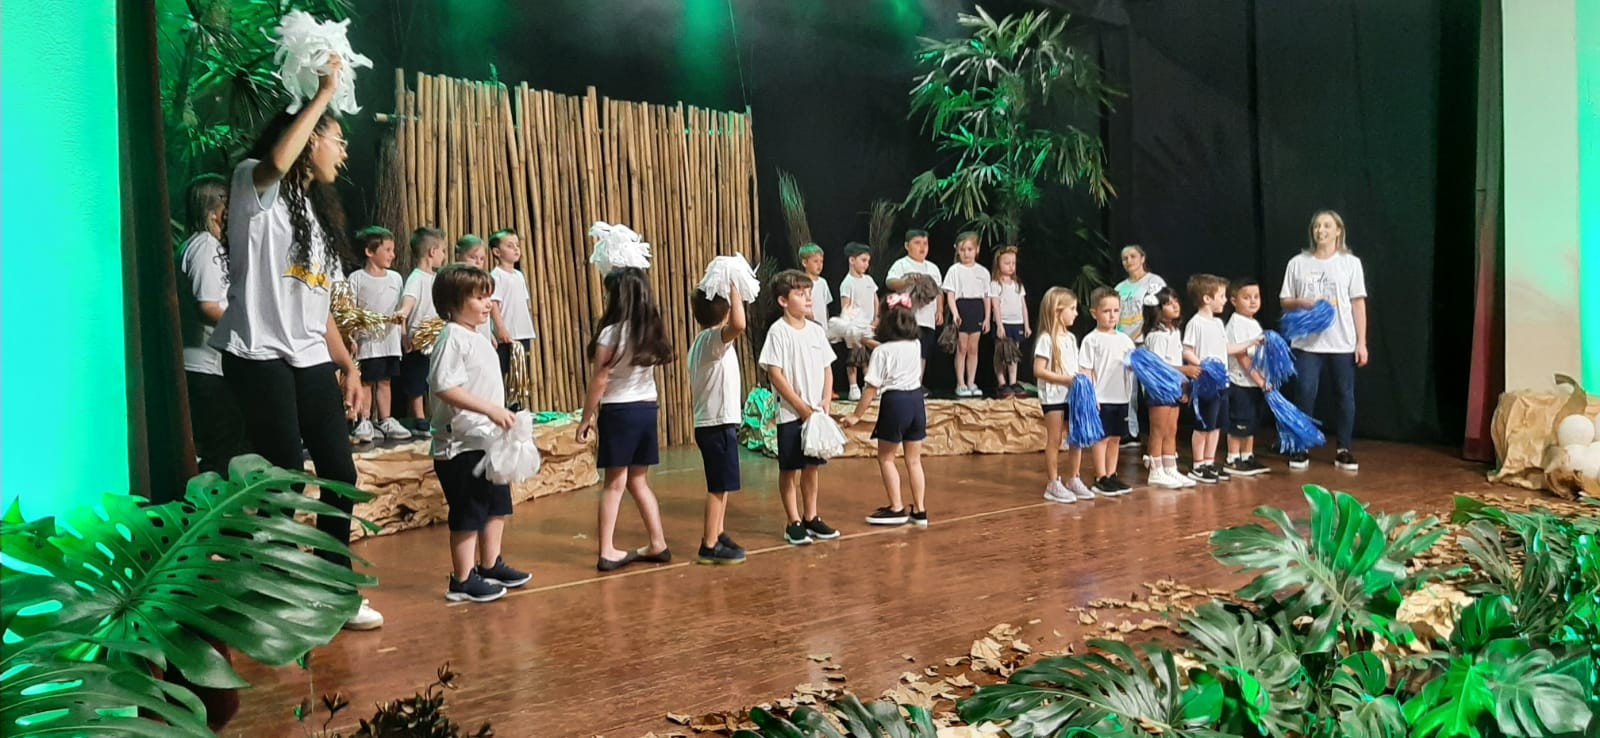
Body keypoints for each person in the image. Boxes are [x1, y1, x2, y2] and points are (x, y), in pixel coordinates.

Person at [209, 54, 382, 629]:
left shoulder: (318, 217)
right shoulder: (251, 182)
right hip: (257, 353)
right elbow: (277, 161)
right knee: (285, 474)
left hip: (307, 355)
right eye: (337, 140)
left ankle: (335, 588)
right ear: (308, 141)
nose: (343, 152)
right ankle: (277, 589)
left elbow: (319, 305)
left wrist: (349, 366)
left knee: (339, 474)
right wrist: (324, 93)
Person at [427, 264, 531, 602]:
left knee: (496, 504)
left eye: (489, 297)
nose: (488, 304)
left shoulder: (478, 336)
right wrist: (489, 410)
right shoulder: (452, 337)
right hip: (460, 445)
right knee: (468, 511)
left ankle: (490, 564)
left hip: (487, 441)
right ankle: (462, 579)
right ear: (454, 301)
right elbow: (444, 386)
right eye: (480, 298)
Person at [577, 267, 675, 571]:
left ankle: (607, 549)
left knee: (614, 484)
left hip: (619, 412)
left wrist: (586, 418)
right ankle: (658, 542)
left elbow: (600, 380)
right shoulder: (651, 331)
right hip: (646, 409)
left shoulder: (611, 333)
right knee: (638, 481)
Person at [1279, 210, 1368, 471]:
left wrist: (1361, 342)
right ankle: (1301, 447)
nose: (1321, 230)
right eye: (1317, 226)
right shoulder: (1298, 262)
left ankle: (1344, 449)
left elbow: (1358, 304)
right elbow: (1285, 301)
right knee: (1305, 392)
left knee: (1344, 394)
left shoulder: (1351, 263)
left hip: (1342, 341)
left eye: (1327, 226)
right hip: (1307, 343)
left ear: (1338, 231)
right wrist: (1303, 303)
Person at [759, 269, 839, 546]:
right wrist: (801, 407)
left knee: (812, 468)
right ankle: (793, 521)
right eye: (799, 293)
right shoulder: (778, 332)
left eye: (808, 293)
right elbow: (775, 374)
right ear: (783, 300)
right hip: (791, 414)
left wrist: (825, 401)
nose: (807, 298)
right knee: (790, 468)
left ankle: (811, 516)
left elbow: (827, 368)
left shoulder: (816, 331)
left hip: (816, 414)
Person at [176, 174, 249, 476]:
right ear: (216, 210)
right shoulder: (204, 247)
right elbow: (207, 306)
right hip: (203, 367)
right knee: (221, 449)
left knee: (224, 445)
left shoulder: (204, 246)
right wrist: (247, 323)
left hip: (210, 366)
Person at [843, 294, 929, 527]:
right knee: (914, 460)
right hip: (917, 402)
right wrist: (865, 339)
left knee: (886, 458)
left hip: (896, 403)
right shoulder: (915, 344)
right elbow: (889, 350)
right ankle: (920, 510)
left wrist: (856, 416)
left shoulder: (882, 353)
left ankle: (896, 508)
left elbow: (871, 389)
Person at [687, 278, 749, 565]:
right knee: (717, 486)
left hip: (714, 423)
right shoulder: (713, 340)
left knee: (722, 483)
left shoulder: (704, 341)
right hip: (716, 424)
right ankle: (709, 544)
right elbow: (739, 325)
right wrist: (735, 287)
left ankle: (719, 531)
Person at [347, 226, 411, 443]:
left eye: (393, 250)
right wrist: (351, 337)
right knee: (366, 381)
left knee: (385, 380)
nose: (392, 255)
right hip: (367, 342)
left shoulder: (396, 278)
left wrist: (403, 334)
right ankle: (364, 419)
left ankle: (386, 419)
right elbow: (350, 310)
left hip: (389, 341)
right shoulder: (356, 278)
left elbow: (400, 310)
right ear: (369, 252)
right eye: (388, 250)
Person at [1033, 288, 1092, 503]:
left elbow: (1076, 367)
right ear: (1058, 311)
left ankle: (1073, 478)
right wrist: (1065, 379)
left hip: (1072, 396)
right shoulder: (1046, 339)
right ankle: (1053, 483)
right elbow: (1039, 370)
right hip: (1054, 397)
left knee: (1076, 438)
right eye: (1072, 309)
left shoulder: (1071, 338)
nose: (1076, 313)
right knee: (1055, 439)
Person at [1079, 288, 1137, 495]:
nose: (1112, 316)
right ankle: (1100, 476)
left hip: (1121, 397)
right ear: (1094, 313)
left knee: (1115, 438)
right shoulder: (1091, 340)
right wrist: (1091, 396)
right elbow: (1086, 370)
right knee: (1101, 438)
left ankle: (1112, 474)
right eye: (1106, 311)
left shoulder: (1125, 340)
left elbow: (1133, 366)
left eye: (1116, 310)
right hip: (1101, 398)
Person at [1140, 288, 1197, 488]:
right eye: (1167, 303)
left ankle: (1170, 467)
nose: (1175, 306)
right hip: (1159, 388)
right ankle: (1155, 470)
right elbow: (1158, 366)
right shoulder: (1156, 335)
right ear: (1157, 309)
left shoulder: (1174, 332)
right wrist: (1185, 370)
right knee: (1158, 430)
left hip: (1173, 386)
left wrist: (1183, 385)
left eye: (1176, 301)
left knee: (1172, 429)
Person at [1114, 245, 1168, 447]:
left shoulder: (1154, 282)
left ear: (1143, 258)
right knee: (1129, 388)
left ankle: (1160, 432)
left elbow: (1157, 312)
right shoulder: (1120, 288)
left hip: (1145, 342)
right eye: (1125, 258)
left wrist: (1137, 334)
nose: (1129, 261)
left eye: (1133, 256)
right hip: (1124, 342)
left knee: (1150, 387)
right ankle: (1131, 431)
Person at [1182, 274, 1231, 484]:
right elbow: (1187, 350)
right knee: (1203, 425)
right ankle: (1198, 464)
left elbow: (1225, 348)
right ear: (1207, 298)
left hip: (1222, 383)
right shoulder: (1196, 323)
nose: (1225, 300)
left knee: (1216, 424)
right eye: (1222, 296)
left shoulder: (1219, 323)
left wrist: (1252, 343)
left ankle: (1210, 462)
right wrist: (1203, 365)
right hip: (1205, 383)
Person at [397, 226, 447, 433]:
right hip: (419, 339)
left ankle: (437, 415)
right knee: (417, 378)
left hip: (437, 337)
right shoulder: (416, 279)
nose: (444, 256)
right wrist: (404, 335)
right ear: (432, 252)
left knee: (435, 377)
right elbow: (405, 308)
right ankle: (419, 416)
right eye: (443, 251)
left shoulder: (437, 279)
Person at [1224, 278, 1271, 477]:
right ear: (1234, 300)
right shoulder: (1236, 324)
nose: (1253, 301)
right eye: (1246, 297)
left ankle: (1247, 456)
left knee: (1251, 422)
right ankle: (1233, 458)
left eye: (1256, 297)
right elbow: (1241, 356)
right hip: (1240, 382)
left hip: (1253, 383)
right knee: (1239, 423)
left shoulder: (1254, 323)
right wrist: (1259, 380)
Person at [885, 229, 943, 385]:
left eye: (925, 243)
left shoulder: (933, 268)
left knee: (922, 353)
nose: (922, 247)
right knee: (906, 350)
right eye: (917, 243)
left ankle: (917, 384)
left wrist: (940, 310)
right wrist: (905, 282)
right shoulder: (902, 264)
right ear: (907, 246)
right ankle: (902, 382)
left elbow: (939, 291)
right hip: (907, 318)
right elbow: (890, 282)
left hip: (927, 319)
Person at [942, 232, 991, 397]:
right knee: (962, 347)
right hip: (962, 307)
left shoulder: (983, 272)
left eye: (970, 249)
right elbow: (950, 295)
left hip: (977, 308)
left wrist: (987, 318)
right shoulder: (954, 270)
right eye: (962, 250)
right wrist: (955, 313)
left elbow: (987, 297)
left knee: (973, 348)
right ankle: (960, 383)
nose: (966, 253)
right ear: (957, 250)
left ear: (977, 249)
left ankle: (971, 381)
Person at [489, 229, 537, 378]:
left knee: (520, 374)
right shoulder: (496, 276)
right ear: (497, 252)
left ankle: (518, 395)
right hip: (507, 334)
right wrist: (501, 329)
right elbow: (493, 304)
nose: (516, 249)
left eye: (517, 245)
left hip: (523, 332)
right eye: (510, 246)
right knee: (504, 372)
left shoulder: (519, 275)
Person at [837, 242, 878, 401]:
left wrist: (876, 318)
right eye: (863, 260)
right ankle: (853, 387)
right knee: (854, 357)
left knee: (867, 357)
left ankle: (868, 385)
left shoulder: (869, 280)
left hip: (869, 326)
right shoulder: (847, 283)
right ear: (852, 260)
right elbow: (846, 306)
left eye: (868, 261)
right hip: (854, 327)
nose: (866, 264)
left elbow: (875, 299)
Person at [987, 246, 1030, 398]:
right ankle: (1001, 382)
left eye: (1013, 263)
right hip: (1003, 323)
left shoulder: (1018, 284)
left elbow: (1023, 306)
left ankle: (1013, 381)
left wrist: (1026, 325)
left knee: (1013, 354)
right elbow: (995, 305)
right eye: (1007, 263)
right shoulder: (995, 284)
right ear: (998, 264)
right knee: (1000, 353)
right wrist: (999, 325)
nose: (1011, 266)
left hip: (1017, 323)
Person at [456, 235, 496, 343]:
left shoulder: (483, 280)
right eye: (473, 257)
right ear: (458, 256)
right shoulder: (455, 281)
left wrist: (490, 333)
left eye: (482, 259)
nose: (478, 262)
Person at [799, 243, 830, 324]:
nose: (819, 265)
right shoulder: (801, 283)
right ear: (805, 263)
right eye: (815, 261)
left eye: (821, 261)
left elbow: (825, 306)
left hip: (823, 326)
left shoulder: (823, 282)